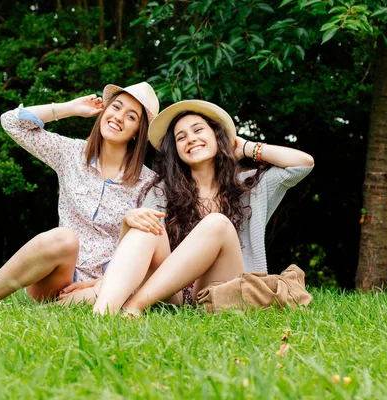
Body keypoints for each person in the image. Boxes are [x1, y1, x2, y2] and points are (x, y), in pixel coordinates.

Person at [90, 100, 314, 315]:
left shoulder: (248, 185)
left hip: (222, 286)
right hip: (173, 292)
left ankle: (134, 307)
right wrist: (129, 221)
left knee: (217, 223)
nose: (191, 139)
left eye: (198, 130)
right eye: (181, 137)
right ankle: (101, 315)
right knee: (146, 222)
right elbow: (137, 250)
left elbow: (303, 164)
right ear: (176, 150)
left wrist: (245, 147)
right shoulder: (162, 190)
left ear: (217, 137)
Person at [0, 82, 160, 310]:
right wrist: (71, 108)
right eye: (115, 107)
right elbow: (12, 122)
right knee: (64, 237)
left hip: (107, 286)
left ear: (138, 133)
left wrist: (101, 284)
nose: (118, 117)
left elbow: (151, 248)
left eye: (131, 116)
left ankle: (66, 306)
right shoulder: (71, 154)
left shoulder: (150, 184)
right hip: (58, 276)